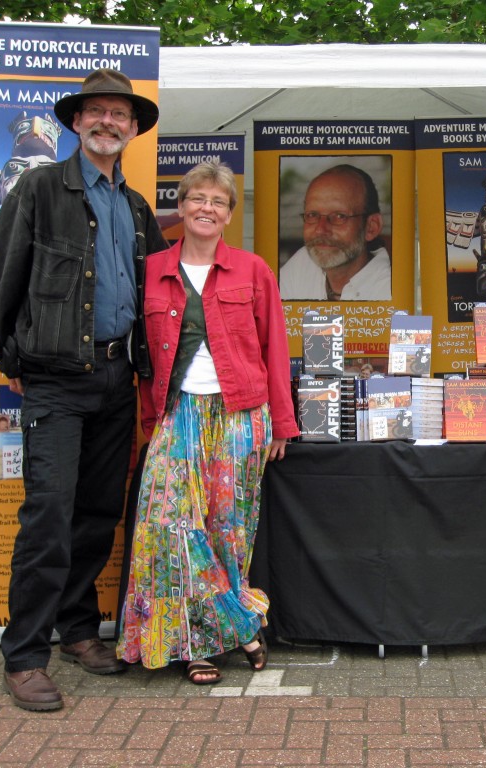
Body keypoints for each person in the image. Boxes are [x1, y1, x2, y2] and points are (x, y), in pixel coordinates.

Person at [0, 68, 166, 712]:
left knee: (95, 514)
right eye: (97, 112)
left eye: (120, 114)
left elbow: (155, 294)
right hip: (56, 382)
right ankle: (25, 655)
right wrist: (14, 356)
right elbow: (1, 277)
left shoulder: (138, 207)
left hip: (119, 379)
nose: (108, 122)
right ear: (76, 122)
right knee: (48, 516)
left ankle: (79, 632)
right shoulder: (39, 188)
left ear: (134, 127)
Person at [117, 160, 299, 685]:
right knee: (170, 527)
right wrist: (151, 418)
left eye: (218, 202)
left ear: (228, 215)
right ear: (181, 204)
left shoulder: (252, 270)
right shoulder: (151, 269)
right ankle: (241, 625)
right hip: (179, 412)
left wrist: (282, 424)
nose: (206, 208)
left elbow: (275, 348)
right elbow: (142, 353)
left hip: (241, 413)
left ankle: (202, 643)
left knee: (227, 530)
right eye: (198, 198)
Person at [278, 164, 392, 301]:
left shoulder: (391, 287)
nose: (321, 229)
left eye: (339, 216)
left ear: (371, 227)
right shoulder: (302, 265)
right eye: (312, 215)